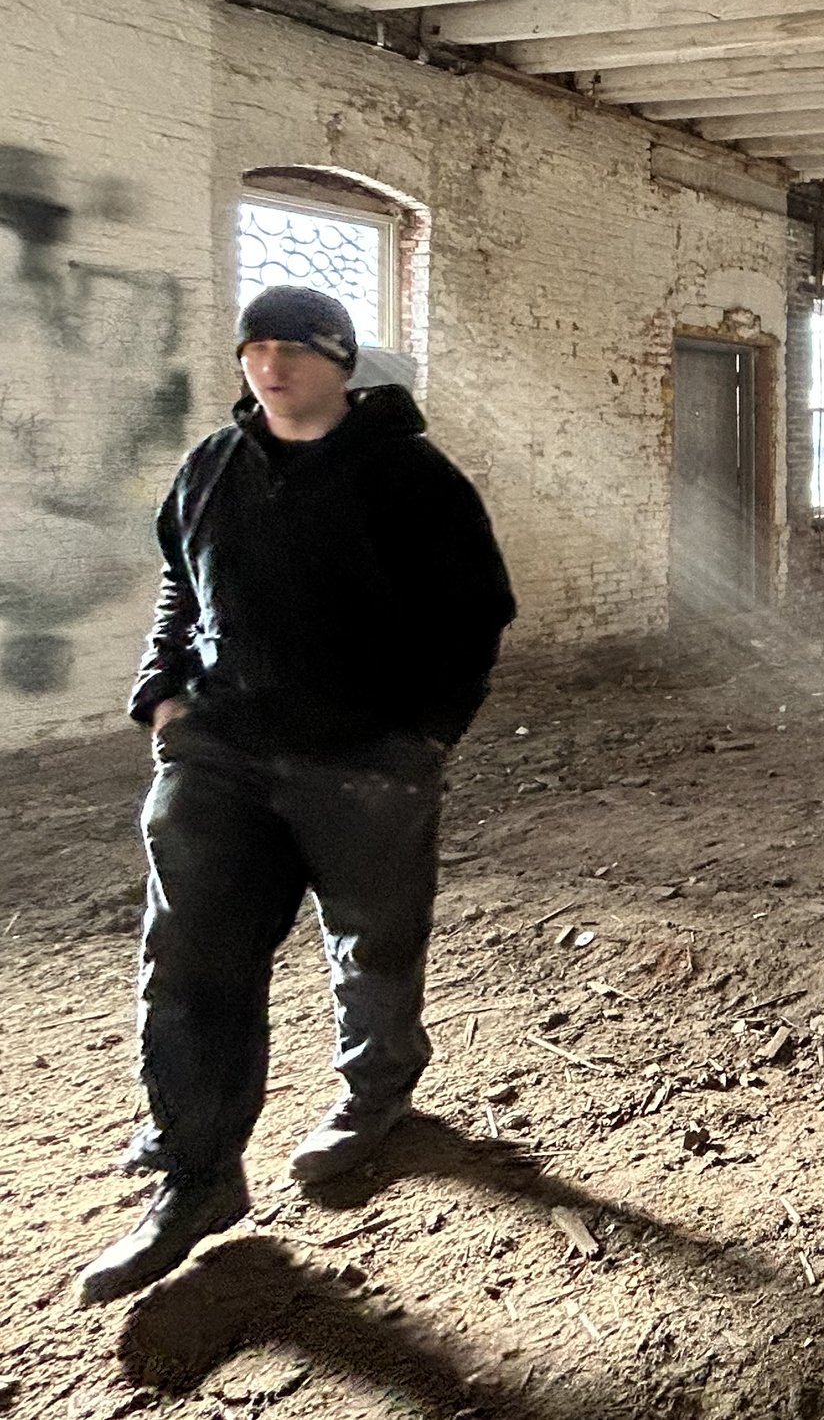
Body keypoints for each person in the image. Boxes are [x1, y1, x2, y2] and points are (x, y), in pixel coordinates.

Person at [80, 286, 515, 1306]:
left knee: (373, 938)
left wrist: (422, 736)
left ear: (341, 362)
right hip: (220, 753)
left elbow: (475, 614)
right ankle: (195, 1173)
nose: (270, 366)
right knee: (192, 956)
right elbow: (180, 583)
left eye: (295, 349)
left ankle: (375, 1094)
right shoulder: (212, 466)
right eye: (255, 348)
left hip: (362, 760)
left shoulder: (411, 478)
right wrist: (162, 694)